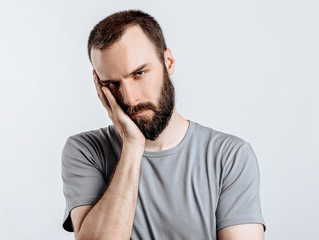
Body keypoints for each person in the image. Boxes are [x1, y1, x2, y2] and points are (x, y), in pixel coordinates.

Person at [61, 9, 266, 240]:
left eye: (139, 73)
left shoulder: (230, 156)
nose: (130, 99)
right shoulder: (85, 151)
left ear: (168, 62)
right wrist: (132, 145)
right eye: (112, 84)